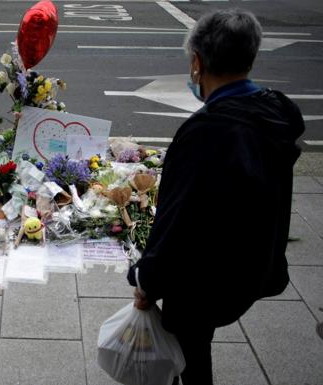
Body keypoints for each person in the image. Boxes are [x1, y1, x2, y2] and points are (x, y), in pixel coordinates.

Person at [127, 9, 304, 385]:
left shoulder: (206, 132)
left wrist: (146, 279)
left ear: (197, 62)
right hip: (253, 266)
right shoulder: (276, 111)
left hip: (203, 278)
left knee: (190, 351)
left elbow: (177, 219)